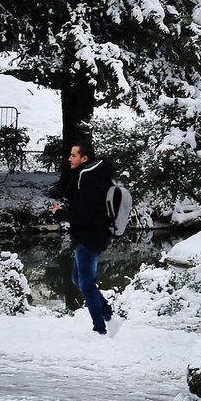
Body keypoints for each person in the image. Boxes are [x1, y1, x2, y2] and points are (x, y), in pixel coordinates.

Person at [48, 134, 119, 335]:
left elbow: (84, 216)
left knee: (86, 284)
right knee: (77, 279)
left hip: (89, 238)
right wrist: (64, 209)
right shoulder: (94, 178)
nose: (69, 159)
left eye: (73, 155)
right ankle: (108, 314)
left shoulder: (87, 180)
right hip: (94, 235)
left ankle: (101, 328)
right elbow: (87, 209)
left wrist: (61, 213)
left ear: (84, 159)